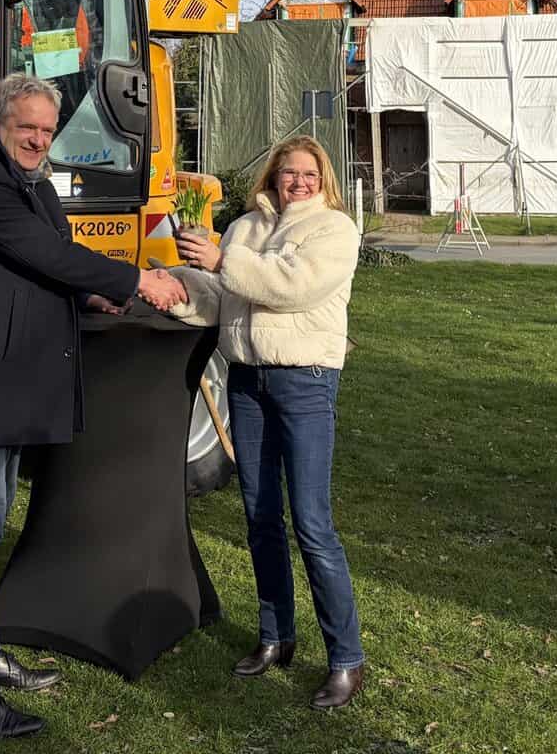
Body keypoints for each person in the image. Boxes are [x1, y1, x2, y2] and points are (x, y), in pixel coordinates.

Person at [0, 73, 186, 739]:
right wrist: (137, 279)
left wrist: (91, 293)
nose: (39, 140)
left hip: (7, 387)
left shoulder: (26, 179)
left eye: (46, 130)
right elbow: (40, 250)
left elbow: (51, 260)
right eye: (27, 128)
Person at [167, 136, 365, 710]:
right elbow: (221, 299)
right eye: (288, 172)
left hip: (305, 381)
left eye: (308, 174)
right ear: (273, 176)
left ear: (322, 180)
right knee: (260, 516)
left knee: (312, 523)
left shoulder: (334, 230)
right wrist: (176, 284)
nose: (298, 182)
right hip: (247, 382)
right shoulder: (244, 228)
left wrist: (222, 261)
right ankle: (276, 636)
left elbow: (291, 287)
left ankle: (346, 658)